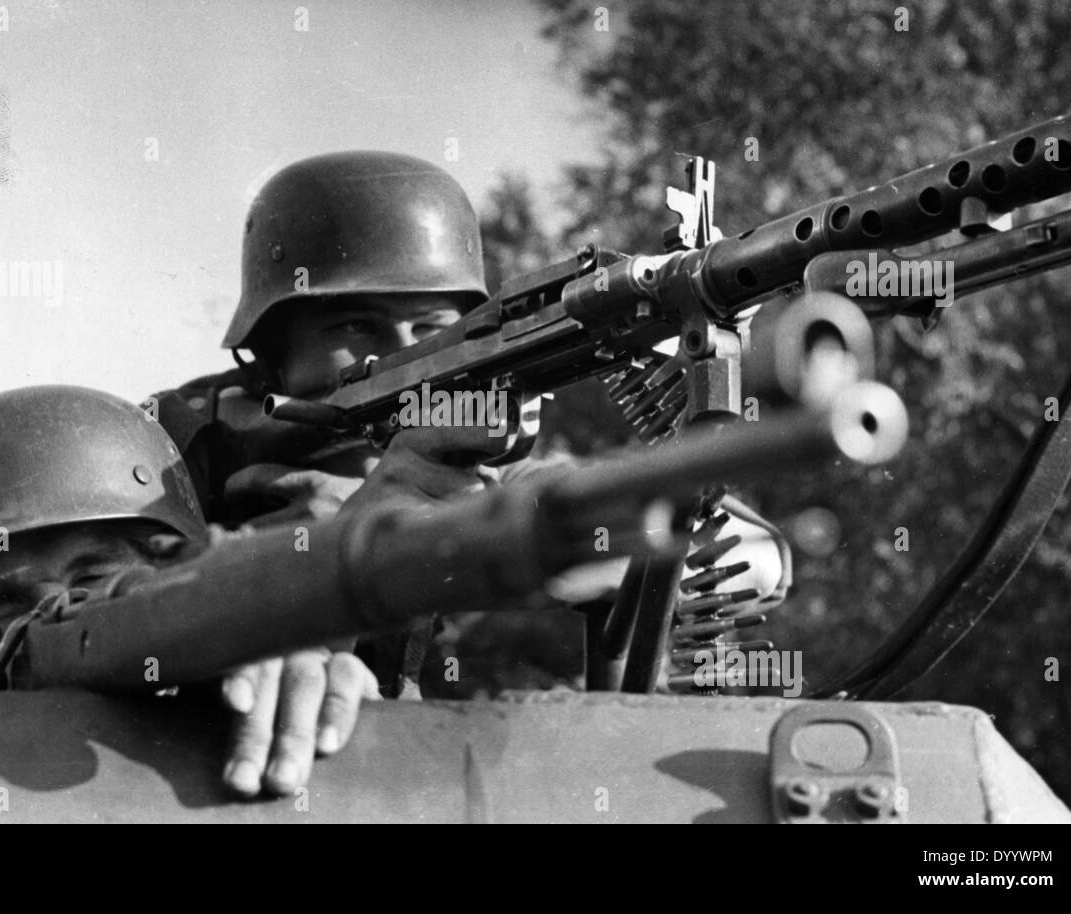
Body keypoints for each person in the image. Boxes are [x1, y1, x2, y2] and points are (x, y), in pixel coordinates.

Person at [151, 151, 785, 695]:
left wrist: (560, 542)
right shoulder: (168, 461)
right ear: (268, 353)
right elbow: (108, 625)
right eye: (351, 326)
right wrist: (351, 548)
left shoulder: (498, 478)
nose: (392, 354)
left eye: (432, 330)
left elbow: (761, 560)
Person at [0, 384, 378, 798]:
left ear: (169, 573)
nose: (55, 612)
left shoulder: (228, 716)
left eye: (93, 579)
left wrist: (296, 694)